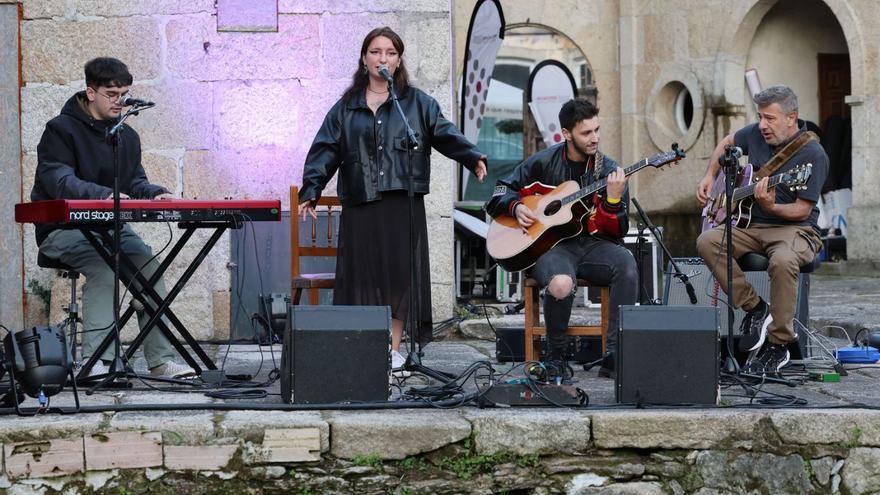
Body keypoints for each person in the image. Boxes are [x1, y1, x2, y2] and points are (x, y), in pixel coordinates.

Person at [297, 27, 487, 374]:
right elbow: (325, 149)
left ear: (398, 61)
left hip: (402, 201)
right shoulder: (346, 107)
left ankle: (394, 348)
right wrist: (311, 189)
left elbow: (443, 132)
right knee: (362, 275)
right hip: (361, 201)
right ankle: (362, 346)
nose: (382, 58)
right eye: (375, 51)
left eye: (390, 53)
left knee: (400, 276)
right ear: (363, 57)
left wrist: (471, 157)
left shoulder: (416, 103)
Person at [32, 57, 195, 379]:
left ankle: (160, 362)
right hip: (64, 229)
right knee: (106, 270)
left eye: (124, 93)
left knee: (148, 267)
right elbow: (59, 179)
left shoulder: (126, 136)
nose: (120, 101)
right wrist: (103, 194)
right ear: (90, 93)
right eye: (112, 93)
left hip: (109, 227)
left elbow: (134, 180)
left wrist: (155, 193)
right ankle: (98, 363)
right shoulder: (59, 130)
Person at [485, 98, 638, 380]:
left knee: (626, 264)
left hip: (594, 245)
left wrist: (614, 199)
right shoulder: (543, 162)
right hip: (550, 247)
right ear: (566, 134)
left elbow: (617, 232)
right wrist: (516, 207)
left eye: (597, 130)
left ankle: (616, 355)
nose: (595, 138)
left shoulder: (609, 170)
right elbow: (498, 191)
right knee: (561, 284)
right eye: (586, 132)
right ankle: (555, 357)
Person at [696, 85, 828, 374]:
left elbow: (802, 209)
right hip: (751, 225)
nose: (763, 125)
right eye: (760, 117)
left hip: (795, 228)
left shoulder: (812, 154)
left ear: (791, 117)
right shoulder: (754, 133)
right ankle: (756, 308)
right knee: (707, 241)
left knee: (782, 261)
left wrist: (771, 207)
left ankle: (779, 341)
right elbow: (728, 142)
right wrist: (710, 175)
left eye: (770, 118)